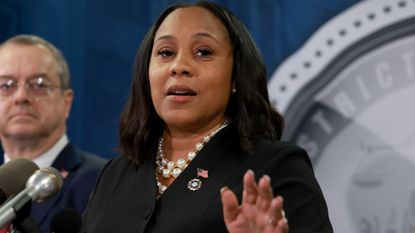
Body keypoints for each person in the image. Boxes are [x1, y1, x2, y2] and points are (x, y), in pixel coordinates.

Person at [82, 1, 333, 233]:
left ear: (235, 77)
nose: (179, 66)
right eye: (166, 53)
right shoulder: (115, 174)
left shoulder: (275, 168)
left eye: (203, 52)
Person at [0, 35, 107, 232]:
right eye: (6, 85)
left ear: (66, 102)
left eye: (39, 84)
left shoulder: (104, 182)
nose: (21, 96)